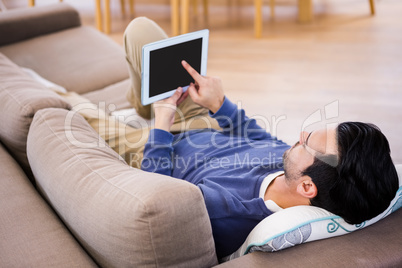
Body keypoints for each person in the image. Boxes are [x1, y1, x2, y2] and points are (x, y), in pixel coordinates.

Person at [64, 17, 399, 259]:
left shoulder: (232, 215)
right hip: (200, 124)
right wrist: (220, 104)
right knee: (141, 30)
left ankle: (142, 109)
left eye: (308, 140)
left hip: (153, 151)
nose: (300, 135)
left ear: (308, 188)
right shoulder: (300, 171)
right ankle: (145, 102)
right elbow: (261, 138)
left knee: (68, 108)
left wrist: (162, 122)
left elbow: (158, 190)